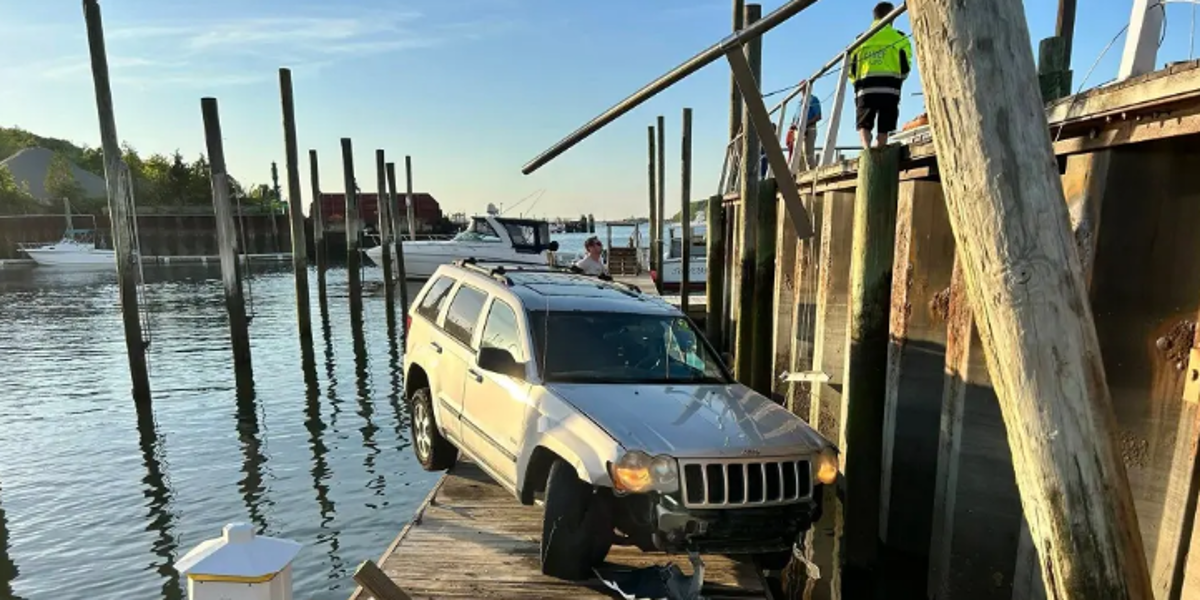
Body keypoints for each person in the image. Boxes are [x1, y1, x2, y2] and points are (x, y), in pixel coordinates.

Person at [848, 2, 913, 150]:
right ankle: (881, 147)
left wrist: (856, 83)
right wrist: (900, 78)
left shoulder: (860, 39)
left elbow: (851, 68)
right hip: (890, 87)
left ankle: (866, 148)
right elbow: (906, 65)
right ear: (892, 16)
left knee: (864, 123)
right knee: (886, 124)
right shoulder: (900, 37)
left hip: (865, 87)